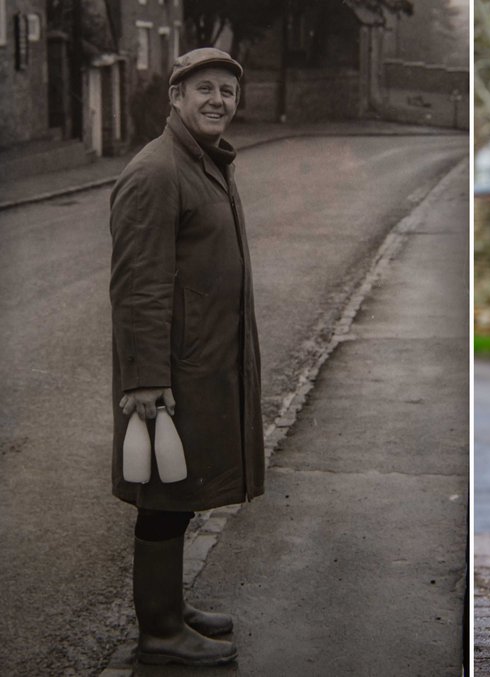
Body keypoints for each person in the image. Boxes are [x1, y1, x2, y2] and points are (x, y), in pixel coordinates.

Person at [109, 47, 264, 666]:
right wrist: (145, 379)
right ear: (174, 97)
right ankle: (160, 631)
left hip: (200, 360)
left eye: (227, 90)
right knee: (163, 493)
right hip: (170, 370)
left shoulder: (205, 162)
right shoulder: (157, 172)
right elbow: (138, 286)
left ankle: (170, 606)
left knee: (183, 484)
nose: (217, 101)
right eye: (203, 89)